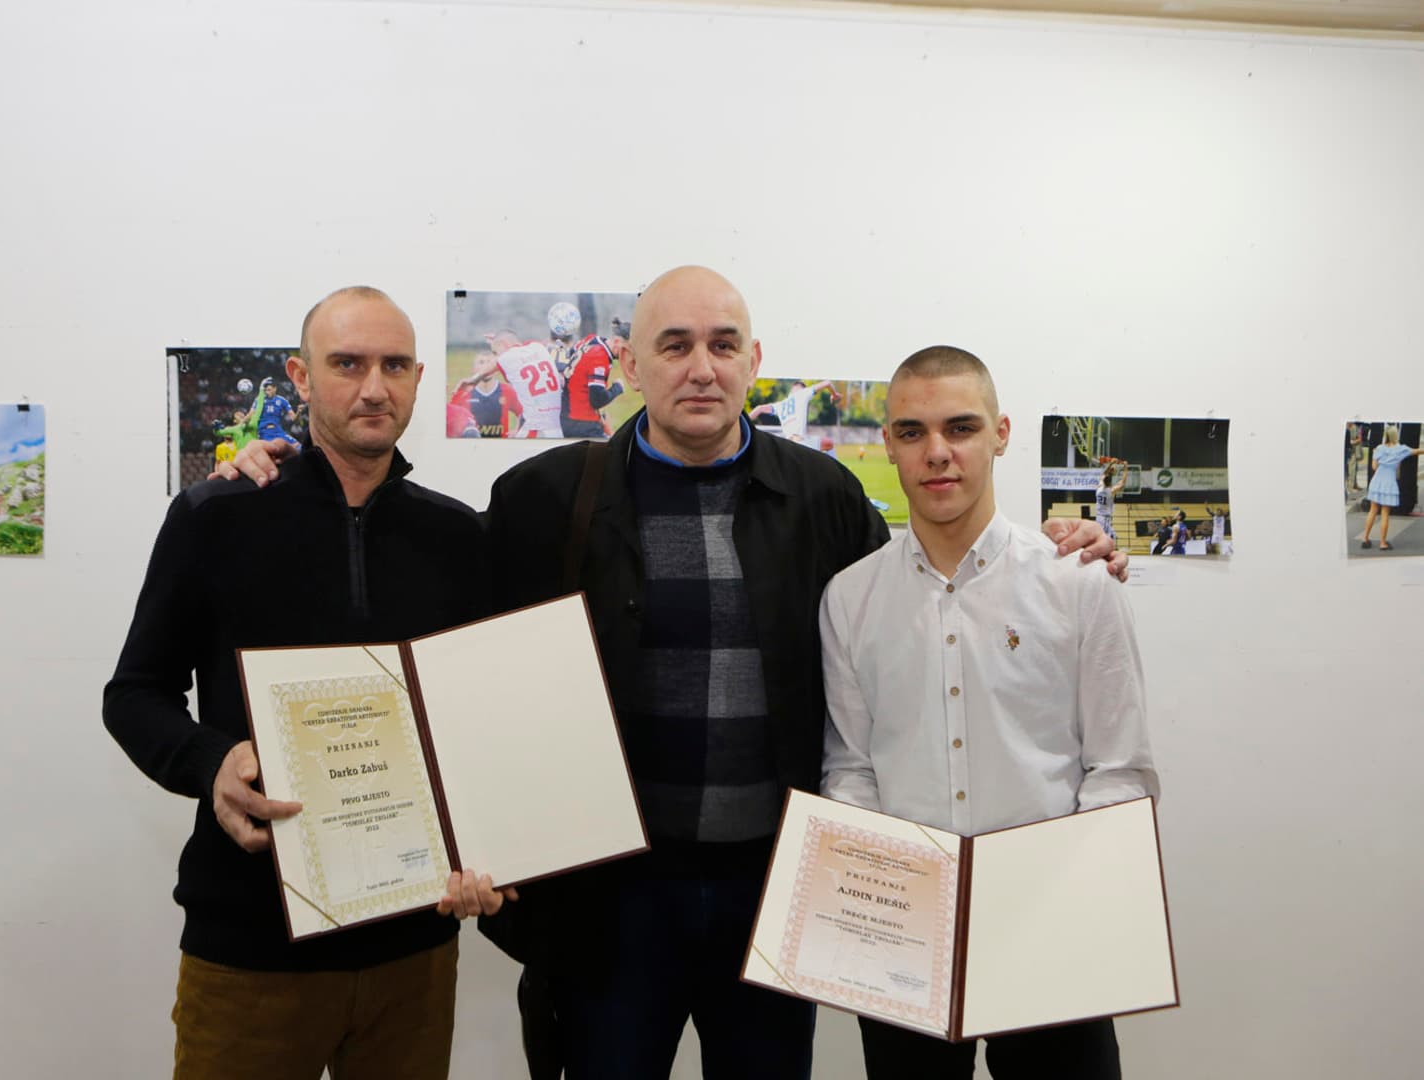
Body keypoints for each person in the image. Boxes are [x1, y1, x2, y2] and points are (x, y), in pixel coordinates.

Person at [220, 267, 1126, 1080]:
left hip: (773, 893)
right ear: (630, 362)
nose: (702, 367)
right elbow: (461, 674)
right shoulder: (544, 498)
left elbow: (919, 603)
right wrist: (276, 468)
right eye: (676, 344)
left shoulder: (824, 497)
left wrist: (1060, 549)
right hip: (613, 904)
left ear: (753, 360)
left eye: (723, 345)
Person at [104, 285, 507, 1080]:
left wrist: (489, 846)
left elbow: (480, 722)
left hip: (414, 945)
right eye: (346, 363)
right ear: (299, 374)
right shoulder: (214, 515)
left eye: (394, 365)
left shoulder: (458, 537)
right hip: (250, 944)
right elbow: (133, 695)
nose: (373, 387)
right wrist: (210, 761)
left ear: (421, 378)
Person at [820, 346, 1157, 1080]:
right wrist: (877, 886)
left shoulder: (1080, 583)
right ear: (889, 445)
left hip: (1050, 928)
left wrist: (1061, 882)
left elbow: (1120, 768)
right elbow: (849, 767)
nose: (937, 453)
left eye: (961, 428)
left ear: (1001, 432)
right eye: (911, 432)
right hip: (906, 940)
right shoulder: (850, 598)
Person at [459, 330, 564, 438]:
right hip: (556, 428)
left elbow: (495, 363)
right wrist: (498, 340)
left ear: (503, 344)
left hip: (536, 429)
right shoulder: (538, 347)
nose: (496, 356)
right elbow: (517, 344)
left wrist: (474, 378)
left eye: (495, 352)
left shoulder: (506, 359)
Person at [559, 316, 628, 438]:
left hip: (568, 417)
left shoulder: (591, 339)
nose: (628, 355)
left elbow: (570, 355)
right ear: (617, 342)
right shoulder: (599, 357)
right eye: (627, 349)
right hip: (581, 423)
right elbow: (597, 399)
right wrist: (617, 388)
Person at [1361, 425, 1424, 550]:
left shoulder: (1379, 448)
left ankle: (1365, 539)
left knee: (1373, 511)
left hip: (1377, 481)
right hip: (1389, 483)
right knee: (1385, 513)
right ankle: (1382, 543)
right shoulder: (1401, 449)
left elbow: (1374, 467)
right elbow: (1418, 451)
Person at [449, 350, 523, 437]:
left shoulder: (507, 391)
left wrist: (518, 430)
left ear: (495, 369)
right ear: (473, 369)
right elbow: (450, 418)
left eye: (489, 363)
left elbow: (523, 412)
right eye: (481, 362)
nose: (486, 366)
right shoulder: (463, 393)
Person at [748, 379, 833, 443]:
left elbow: (759, 408)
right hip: (799, 441)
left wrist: (743, 422)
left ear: (791, 390)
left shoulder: (780, 405)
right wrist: (834, 394)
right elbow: (827, 383)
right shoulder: (802, 394)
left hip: (788, 442)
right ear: (802, 389)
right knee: (828, 444)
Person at [254, 375, 302, 445]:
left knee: (298, 446)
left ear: (275, 389)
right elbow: (251, 414)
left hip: (278, 431)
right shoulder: (259, 400)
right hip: (264, 433)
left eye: (269, 390)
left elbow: (294, 419)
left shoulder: (282, 400)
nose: (267, 392)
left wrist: (299, 412)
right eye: (266, 390)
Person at [1095, 460, 1127, 546]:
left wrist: (1111, 464)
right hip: (1105, 518)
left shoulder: (1099, 487)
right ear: (1110, 483)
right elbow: (1123, 482)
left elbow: (1104, 474)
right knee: (1105, 538)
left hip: (1099, 516)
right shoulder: (1111, 491)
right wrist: (1125, 467)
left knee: (1111, 536)